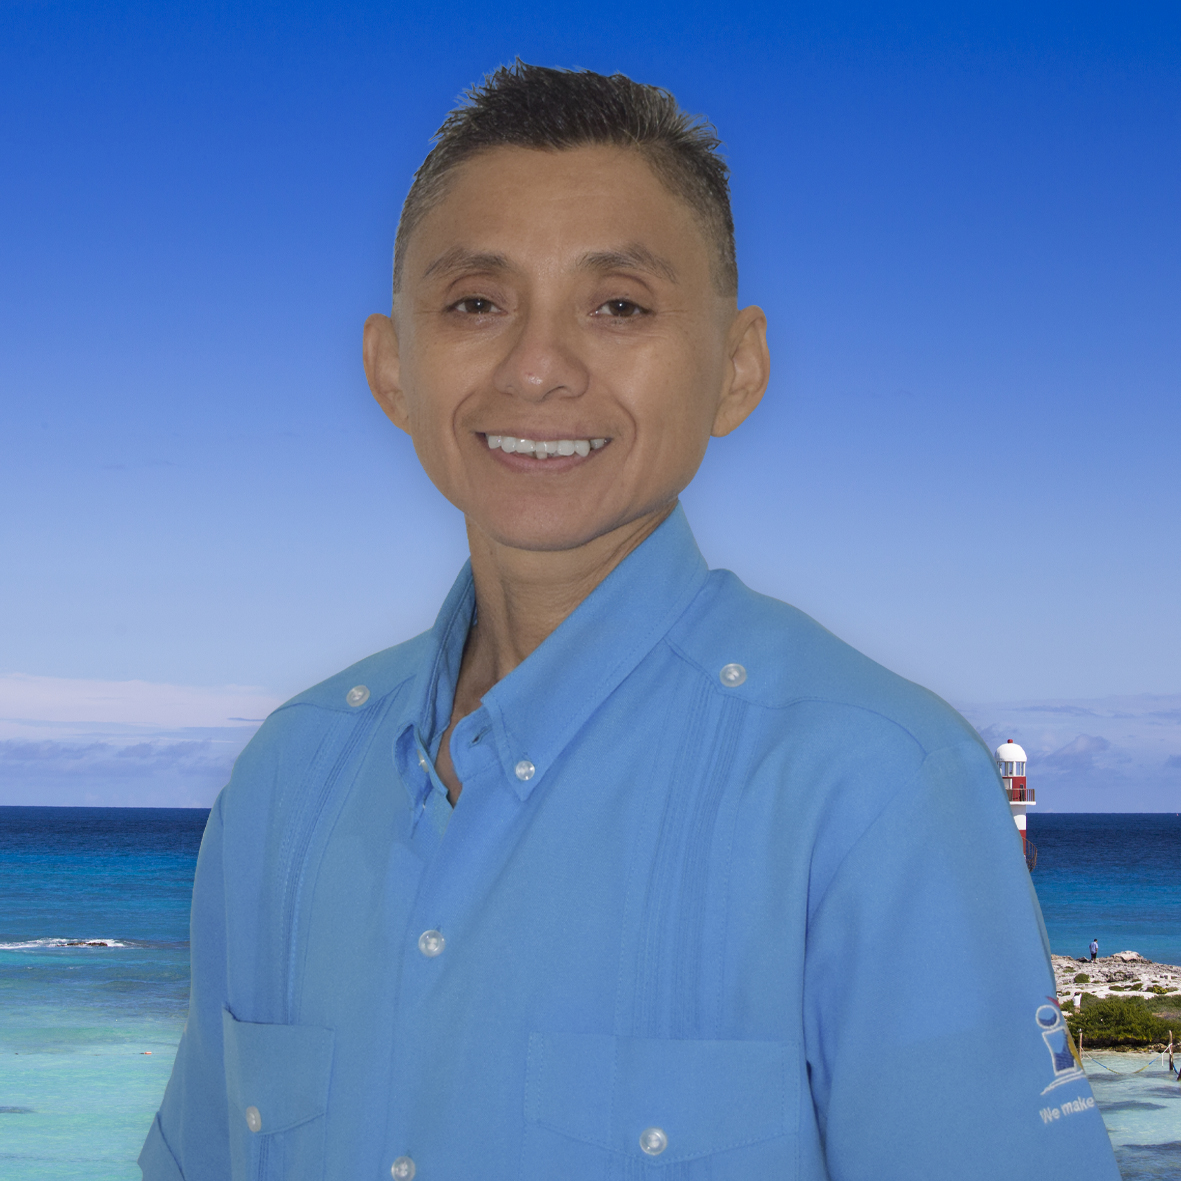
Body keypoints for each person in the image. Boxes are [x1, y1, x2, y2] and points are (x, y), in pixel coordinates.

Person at [139, 63, 1120, 1180]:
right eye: (475, 302)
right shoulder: (286, 777)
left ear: (736, 370)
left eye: (618, 306)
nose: (538, 369)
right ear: (390, 367)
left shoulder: (876, 784)